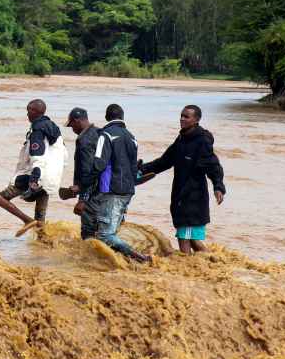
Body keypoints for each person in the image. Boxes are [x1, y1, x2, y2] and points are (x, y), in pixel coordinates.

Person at [140, 105, 226, 255]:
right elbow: (164, 162)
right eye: (181, 115)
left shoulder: (202, 141)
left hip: (192, 197)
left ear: (196, 120)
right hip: (180, 195)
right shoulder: (181, 139)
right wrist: (141, 170)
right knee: (191, 239)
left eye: (187, 116)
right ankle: (212, 262)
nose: (182, 119)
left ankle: (188, 269)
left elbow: (213, 166)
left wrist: (218, 187)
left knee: (183, 238)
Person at [89, 104, 151, 263]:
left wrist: (85, 186)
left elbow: (99, 164)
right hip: (128, 190)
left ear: (106, 117)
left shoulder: (106, 135)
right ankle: (121, 264)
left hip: (111, 190)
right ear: (122, 117)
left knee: (105, 235)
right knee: (111, 231)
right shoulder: (132, 137)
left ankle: (139, 257)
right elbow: (133, 166)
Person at [0, 99, 65, 236]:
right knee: (40, 219)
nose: (27, 113)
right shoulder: (55, 130)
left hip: (36, 177)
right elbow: (64, 156)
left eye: (29, 110)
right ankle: (47, 249)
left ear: (35, 112)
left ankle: (26, 220)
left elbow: (37, 156)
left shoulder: (37, 130)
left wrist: (34, 180)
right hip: (51, 180)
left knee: (1, 199)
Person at [63, 107, 102, 240]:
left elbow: (88, 171)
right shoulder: (100, 133)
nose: (72, 128)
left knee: (88, 233)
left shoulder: (84, 141)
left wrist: (82, 199)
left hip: (92, 193)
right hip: (106, 190)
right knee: (103, 229)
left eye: (71, 125)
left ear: (77, 121)